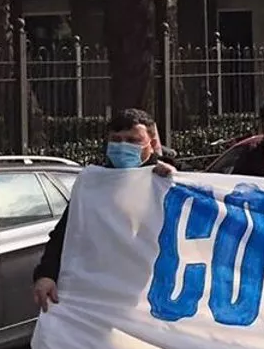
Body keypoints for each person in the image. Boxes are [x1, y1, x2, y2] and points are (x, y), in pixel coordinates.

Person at [32, 108, 175, 312]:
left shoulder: (165, 181)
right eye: (116, 140)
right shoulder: (93, 184)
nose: (123, 146)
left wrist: (174, 180)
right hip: (99, 292)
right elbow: (65, 233)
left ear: (151, 144)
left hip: (145, 294)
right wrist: (46, 274)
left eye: (132, 140)